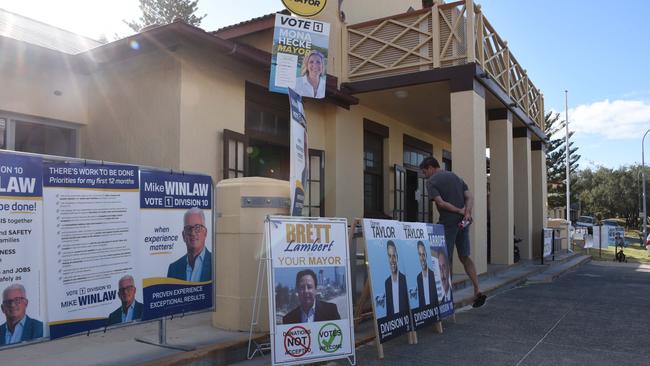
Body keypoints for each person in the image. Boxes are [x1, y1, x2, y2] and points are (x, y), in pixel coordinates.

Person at [420, 156, 486, 308]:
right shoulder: (455, 177)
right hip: (463, 222)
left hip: (448, 223)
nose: (425, 175)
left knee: (445, 259)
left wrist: (458, 210)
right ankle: (477, 289)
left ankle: (445, 298)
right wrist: (467, 212)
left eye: (425, 172)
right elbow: (469, 196)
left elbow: (440, 203)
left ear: (430, 167)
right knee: (464, 256)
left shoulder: (432, 182)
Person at [168, 207, 212, 282]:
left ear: (205, 232)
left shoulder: (215, 262)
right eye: (188, 228)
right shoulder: (173, 268)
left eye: (197, 227)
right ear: (183, 235)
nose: (193, 233)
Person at [384, 240, 409, 316]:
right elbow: (388, 311)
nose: (392, 260)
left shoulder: (405, 280)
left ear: (397, 257)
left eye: (394, 256)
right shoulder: (387, 283)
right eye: (389, 256)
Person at [416, 241, 439, 308]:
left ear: (426, 255)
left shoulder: (433, 275)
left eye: (423, 254)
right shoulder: (418, 278)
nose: (422, 258)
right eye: (420, 255)